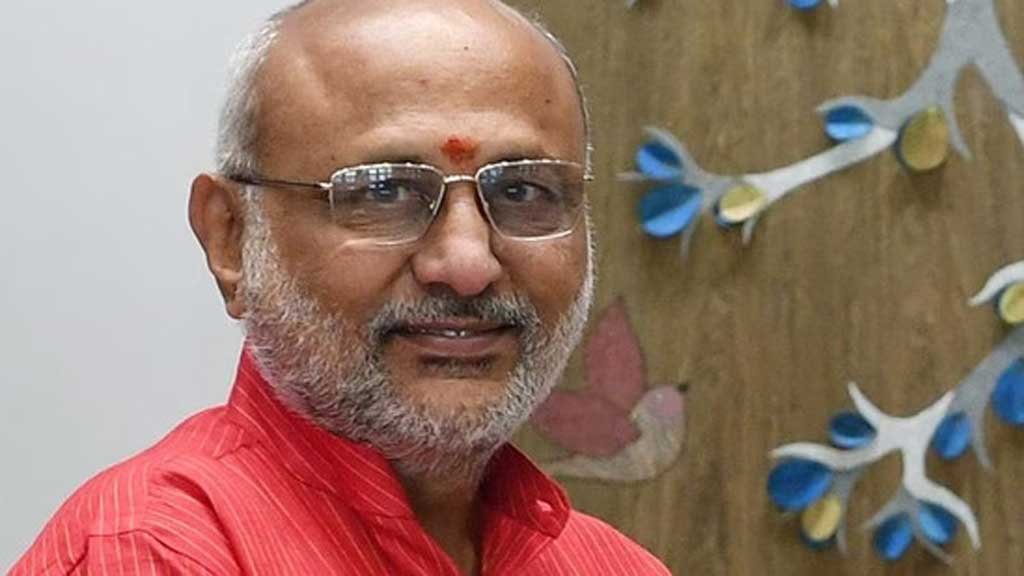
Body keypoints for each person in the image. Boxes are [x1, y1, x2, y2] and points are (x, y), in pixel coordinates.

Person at [11, 0, 671, 574]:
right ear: (230, 239)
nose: (468, 263)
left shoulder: (611, 566)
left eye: (523, 190)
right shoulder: (152, 551)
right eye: (384, 191)